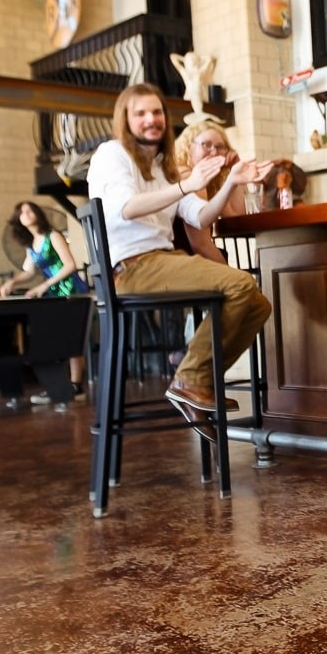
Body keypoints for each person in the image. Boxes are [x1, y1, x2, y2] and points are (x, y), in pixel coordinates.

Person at [85, 83, 271, 417]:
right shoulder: (112, 154)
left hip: (161, 261)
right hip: (129, 267)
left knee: (257, 303)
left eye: (156, 112)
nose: (150, 119)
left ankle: (196, 384)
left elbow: (200, 216)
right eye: (140, 113)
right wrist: (188, 184)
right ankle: (190, 380)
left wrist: (231, 181)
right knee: (241, 285)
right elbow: (127, 208)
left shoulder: (162, 166)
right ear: (124, 119)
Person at [0, 200, 86, 406]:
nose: (26, 214)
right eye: (21, 212)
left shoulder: (52, 235)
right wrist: (13, 282)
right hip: (52, 292)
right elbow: (29, 272)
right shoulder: (31, 245)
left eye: (29, 210)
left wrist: (43, 286)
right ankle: (60, 386)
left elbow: (70, 265)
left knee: (71, 338)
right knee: (55, 339)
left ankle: (75, 385)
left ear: (38, 213)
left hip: (68, 289)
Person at [169, 120, 279, 264]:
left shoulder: (204, 183)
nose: (214, 152)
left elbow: (235, 216)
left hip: (185, 260)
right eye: (206, 144)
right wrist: (234, 276)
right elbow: (201, 246)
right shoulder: (190, 179)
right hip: (185, 263)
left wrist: (234, 171)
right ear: (188, 146)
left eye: (220, 147)